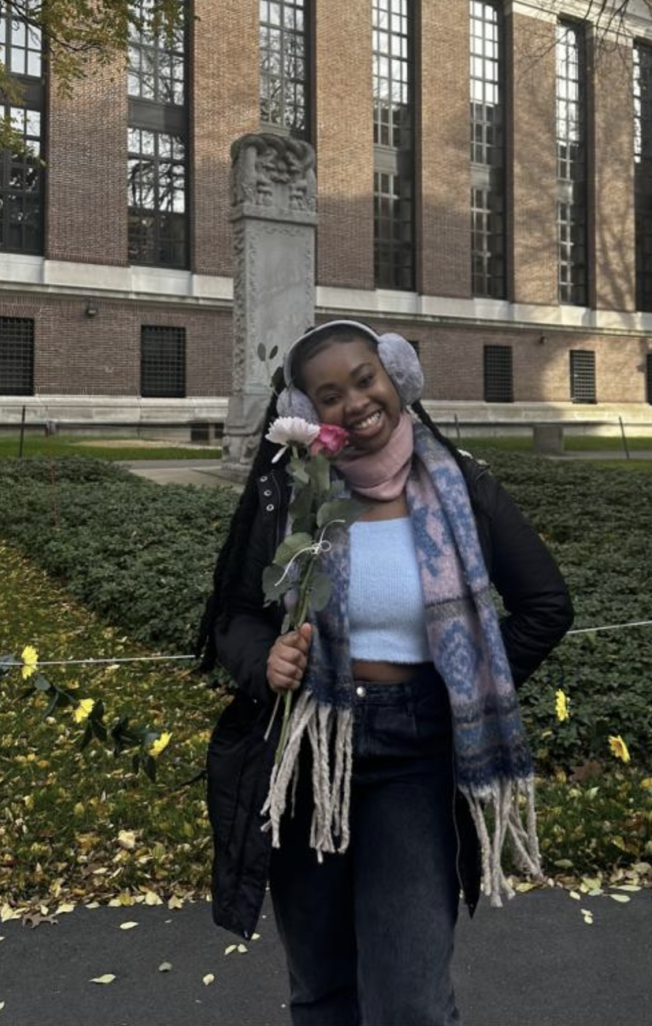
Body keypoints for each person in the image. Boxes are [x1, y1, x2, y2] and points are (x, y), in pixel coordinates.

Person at [199, 320, 573, 1026]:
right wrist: (263, 662)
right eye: (329, 393)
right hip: (309, 750)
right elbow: (235, 615)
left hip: (416, 754)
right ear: (307, 414)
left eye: (365, 377)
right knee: (322, 989)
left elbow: (546, 605)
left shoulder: (461, 483)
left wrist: (468, 684)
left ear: (395, 375)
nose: (356, 402)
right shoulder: (290, 493)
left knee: (409, 1001)